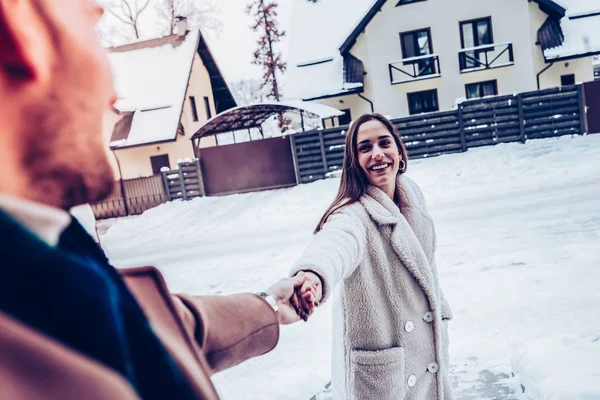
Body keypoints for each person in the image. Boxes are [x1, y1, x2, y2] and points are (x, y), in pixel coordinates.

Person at [0, 1, 304, 399]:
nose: (114, 95)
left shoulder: (49, 246)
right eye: (92, 26)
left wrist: (267, 306)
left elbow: (145, 327)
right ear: (23, 26)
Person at [290, 113, 455, 399]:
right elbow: (336, 242)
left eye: (384, 143)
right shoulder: (352, 213)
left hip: (425, 355)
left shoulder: (412, 196)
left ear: (399, 151)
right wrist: (313, 274)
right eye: (365, 147)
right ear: (354, 161)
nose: (377, 153)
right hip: (385, 375)